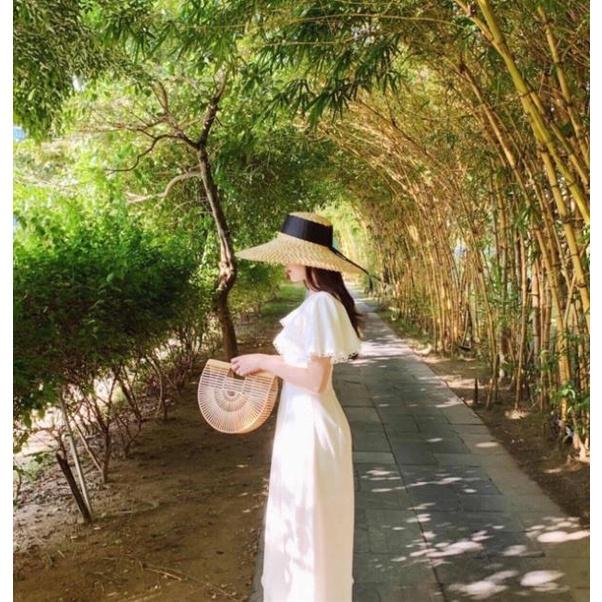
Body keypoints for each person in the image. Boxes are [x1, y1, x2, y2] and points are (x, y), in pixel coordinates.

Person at [231, 211, 378, 601]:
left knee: (309, 526)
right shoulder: (318, 302)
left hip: (312, 428)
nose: (285, 263)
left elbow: (316, 380)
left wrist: (265, 361)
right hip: (302, 424)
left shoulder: (321, 305)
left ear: (310, 259)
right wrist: (268, 365)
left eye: (290, 255)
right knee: (299, 523)